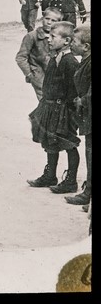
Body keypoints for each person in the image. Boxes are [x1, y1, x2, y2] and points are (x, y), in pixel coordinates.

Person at [27, 21, 81, 194]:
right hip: (51, 108)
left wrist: (69, 111)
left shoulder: (69, 62)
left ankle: (71, 181)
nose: (49, 40)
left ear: (66, 41)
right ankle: (50, 175)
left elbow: (74, 89)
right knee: (50, 142)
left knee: (68, 143)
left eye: (53, 37)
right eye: (48, 36)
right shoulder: (54, 57)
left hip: (64, 111)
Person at [65, 23, 91, 209]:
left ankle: (88, 195)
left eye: (74, 41)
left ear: (86, 46)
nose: (71, 44)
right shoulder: (85, 61)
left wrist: (83, 100)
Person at [15, 7, 63, 101]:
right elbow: (21, 57)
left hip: (54, 75)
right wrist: (29, 74)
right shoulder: (32, 36)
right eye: (47, 19)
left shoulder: (59, 37)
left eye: (53, 20)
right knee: (44, 102)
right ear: (42, 19)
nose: (49, 22)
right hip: (38, 75)